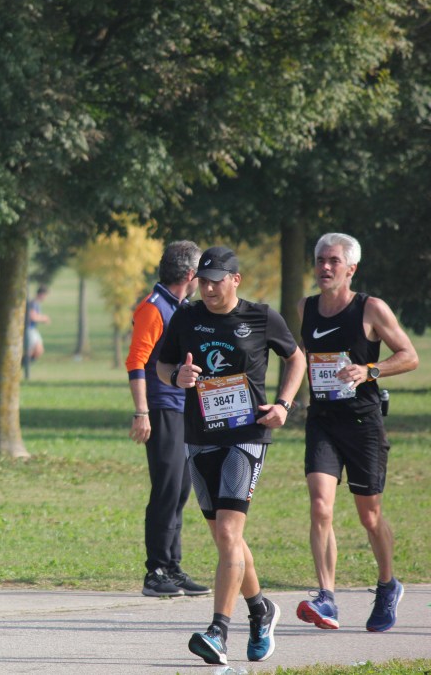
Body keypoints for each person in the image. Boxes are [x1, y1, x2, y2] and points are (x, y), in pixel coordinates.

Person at [157, 246, 305, 666]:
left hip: (247, 434)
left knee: (227, 533)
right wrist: (178, 376)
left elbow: (296, 358)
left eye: (216, 281)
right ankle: (261, 610)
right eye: (202, 281)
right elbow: (162, 365)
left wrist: (284, 405)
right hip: (200, 436)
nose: (208, 289)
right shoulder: (186, 317)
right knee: (228, 539)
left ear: (235, 280)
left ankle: (218, 632)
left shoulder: (261, 317)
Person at [295, 232, 418, 633]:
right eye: (320, 260)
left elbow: (409, 356)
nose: (325, 267)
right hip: (322, 420)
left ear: (351, 268)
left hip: (363, 422)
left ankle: (387, 584)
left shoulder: (370, 309)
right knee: (320, 505)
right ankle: (326, 597)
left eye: (333, 261)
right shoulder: (305, 308)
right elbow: (302, 358)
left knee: (370, 515)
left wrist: (369, 371)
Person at [125, 240, 210, 598]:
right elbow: (136, 361)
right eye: (201, 273)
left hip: (184, 407)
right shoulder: (153, 307)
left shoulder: (183, 308)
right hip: (161, 407)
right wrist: (142, 411)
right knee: (166, 487)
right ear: (190, 274)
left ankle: (173, 567)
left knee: (181, 488)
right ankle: (155, 571)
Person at [25, 286, 51, 362]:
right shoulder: (32, 303)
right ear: (41, 294)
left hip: (33, 329)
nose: (45, 298)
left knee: (39, 350)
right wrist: (44, 318)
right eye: (45, 295)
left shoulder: (37, 304)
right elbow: (32, 317)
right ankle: (22, 365)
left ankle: (25, 364)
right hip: (29, 329)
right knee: (32, 351)